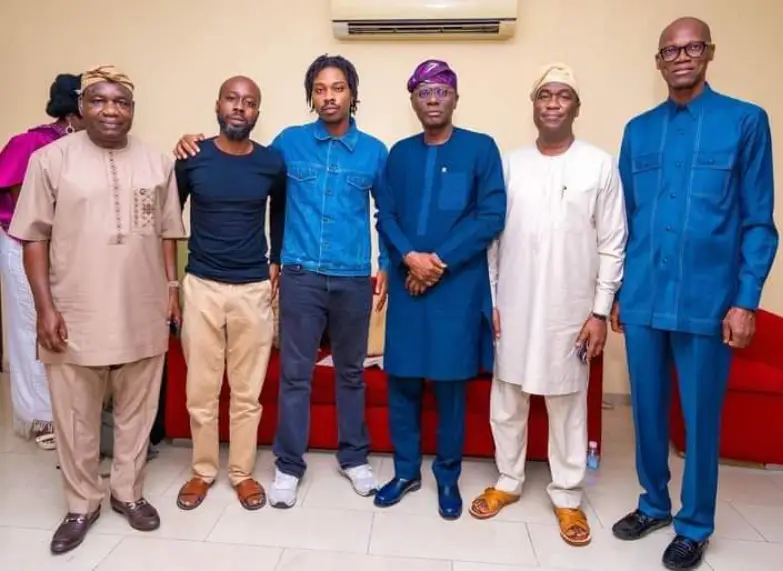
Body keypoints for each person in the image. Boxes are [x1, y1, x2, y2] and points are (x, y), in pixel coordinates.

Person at [173, 54, 389, 508]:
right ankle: (288, 467)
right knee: (295, 376)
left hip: (352, 277)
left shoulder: (374, 151)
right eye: (320, 89)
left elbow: (384, 212)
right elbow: (245, 169)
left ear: (352, 94)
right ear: (310, 97)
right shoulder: (286, 146)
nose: (329, 96)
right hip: (300, 275)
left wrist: (385, 261)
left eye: (338, 88)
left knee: (350, 374)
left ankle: (354, 459)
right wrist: (190, 141)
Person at [610, 18, 779, 571]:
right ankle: (653, 503)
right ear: (658, 62)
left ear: (709, 53)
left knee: (701, 417)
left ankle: (695, 523)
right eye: (670, 51)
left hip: (708, 301)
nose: (681, 57)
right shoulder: (638, 130)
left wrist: (745, 299)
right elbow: (626, 219)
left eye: (692, 47)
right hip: (642, 297)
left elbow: (758, 221)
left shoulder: (745, 122)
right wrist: (616, 292)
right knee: (647, 414)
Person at [9, 65, 185, 555]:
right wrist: (45, 308)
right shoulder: (50, 160)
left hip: (142, 306)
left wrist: (171, 288)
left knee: (137, 411)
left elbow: (168, 232)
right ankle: (82, 502)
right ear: (81, 107)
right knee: (75, 415)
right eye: (100, 101)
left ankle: (128, 493)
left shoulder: (157, 163)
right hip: (75, 309)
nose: (112, 110)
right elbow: (33, 239)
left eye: (122, 102)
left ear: (132, 110)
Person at [467, 63, 627, 545]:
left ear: (576, 107)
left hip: (570, 311)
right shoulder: (510, 163)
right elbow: (491, 240)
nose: (553, 103)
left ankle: (568, 496)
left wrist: (600, 311)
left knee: (567, 403)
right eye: (544, 95)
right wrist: (491, 300)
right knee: (508, 400)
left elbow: (613, 241)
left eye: (563, 95)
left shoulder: (599, 164)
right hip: (513, 306)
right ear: (533, 105)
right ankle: (508, 482)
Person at [373, 60, 506, 520]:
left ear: (455, 97)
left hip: (456, 290)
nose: (433, 99)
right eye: (424, 92)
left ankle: (447, 477)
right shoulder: (400, 154)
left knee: (451, 389)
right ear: (413, 100)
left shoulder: (480, 149)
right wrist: (411, 258)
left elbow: (490, 216)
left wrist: (438, 262)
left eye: (441, 91)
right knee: (403, 383)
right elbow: (385, 215)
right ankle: (406, 471)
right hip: (410, 288)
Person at [174, 76, 286, 512]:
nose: (240, 107)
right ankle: (203, 472)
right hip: (201, 284)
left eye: (250, 102)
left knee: (246, 393)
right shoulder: (191, 157)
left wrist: (275, 258)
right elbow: (170, 218)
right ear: (218, 105)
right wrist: (171, 282)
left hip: (253, 289)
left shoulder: (271, 163)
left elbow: (281, 210)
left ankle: (241, 474)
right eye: (233, 99)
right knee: (201, 390)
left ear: (258, 112)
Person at [0, 72, 83, 450]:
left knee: (61, 328)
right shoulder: (30, 143)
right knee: (32, 326)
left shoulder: (83, 147)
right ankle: (41, 417)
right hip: (25, 245)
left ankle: (66, 411)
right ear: (74, 107)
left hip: (66, 250)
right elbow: (25, 208)